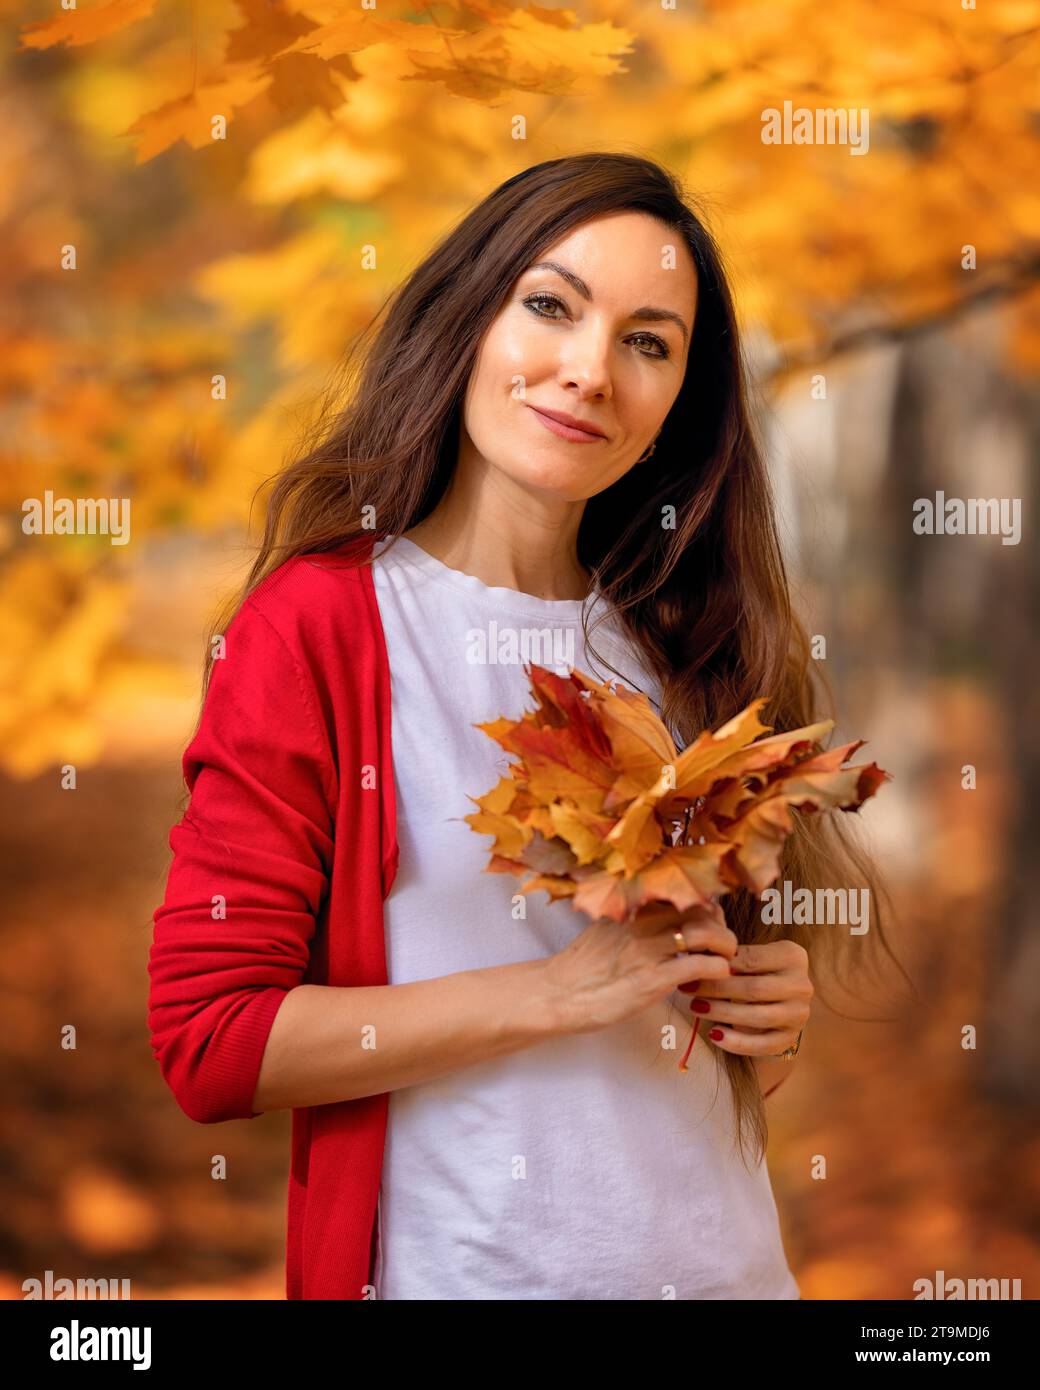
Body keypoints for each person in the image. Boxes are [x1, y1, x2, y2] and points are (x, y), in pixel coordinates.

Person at [149, 152, 890, 1300]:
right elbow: (210, 1039)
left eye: (649, 341)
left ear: (678, 399)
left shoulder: (685, 641)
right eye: (549, 305)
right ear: (468, 323)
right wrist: (553, 993)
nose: (590, 371)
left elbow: (654, 1051)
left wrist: (759, 1011)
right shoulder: (323, 626)